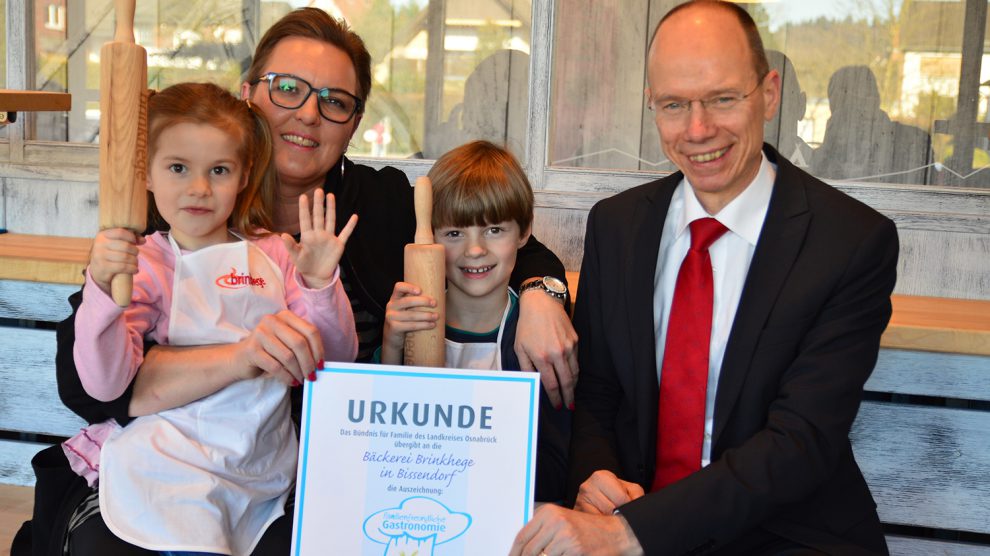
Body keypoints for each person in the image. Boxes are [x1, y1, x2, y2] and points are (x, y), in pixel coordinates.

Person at [34, 8, 574, 555]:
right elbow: (89, 386)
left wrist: (543, 296)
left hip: (308, 487)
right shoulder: (180, 209)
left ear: (354, 122)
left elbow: (490, 238)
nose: (310, 113)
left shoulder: (379, 205)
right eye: (287, 88)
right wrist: (242, 356)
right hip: (162, 477)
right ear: (247, 97)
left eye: (335, 101)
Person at [511, 2, 898, 555]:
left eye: (722, 98)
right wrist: (597, 479)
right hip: (634, 511)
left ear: (768, 92)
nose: (698, 129)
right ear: (653, 106)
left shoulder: (850, 241)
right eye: (674, 104)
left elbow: (801, 442)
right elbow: (598, 392)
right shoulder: (617, 226)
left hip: (784, 534)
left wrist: (629, 535)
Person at [63, 82, 357, 554]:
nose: (199, 188)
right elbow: (105, 385)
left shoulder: (276, 254)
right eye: (178, 168)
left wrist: (319, 284)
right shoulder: (145, 264)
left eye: (219, 170)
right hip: (170, 467)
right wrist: (102, 292)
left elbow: (334, 361)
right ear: (148, 175)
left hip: (259, 469)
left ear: (243, 176)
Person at [380, 140, 570, 503]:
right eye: (454, 233)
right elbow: (383, 438)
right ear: (430, 236)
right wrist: (391, 344)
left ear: (525, 233)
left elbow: (555, 459)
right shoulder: (410, 325)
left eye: (494, 230)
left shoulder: (537, 336)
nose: (475, 249)